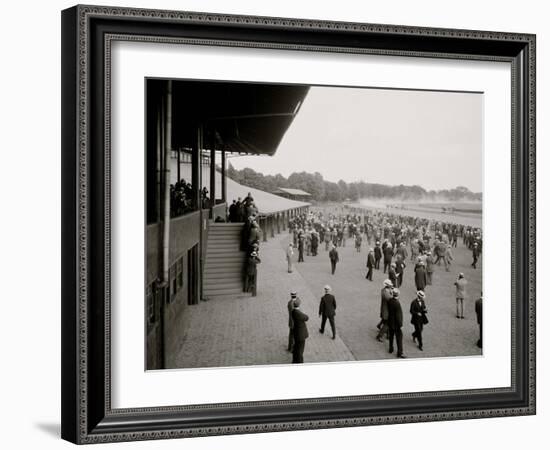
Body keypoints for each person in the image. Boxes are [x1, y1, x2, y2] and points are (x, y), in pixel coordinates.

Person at [387, 288, 406, 358]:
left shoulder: (390, 301)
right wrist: (401, 325)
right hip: (396, 325)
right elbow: (398, 316)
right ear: (398, 295)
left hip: (390, 322)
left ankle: (391, 348)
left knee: (391, 336)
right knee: (399, 338)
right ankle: (400, 353)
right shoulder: (397, 303)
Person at [291, 297, 309, 363]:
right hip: (301, 334)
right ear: (299, 305)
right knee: (300, 350)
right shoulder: (299, 313)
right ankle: (300, 362)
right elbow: (306, 317)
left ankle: (294, 360)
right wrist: (301, 311)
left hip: (296, 333)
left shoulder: (293, 311)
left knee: (296, 347)